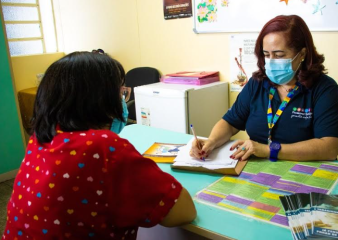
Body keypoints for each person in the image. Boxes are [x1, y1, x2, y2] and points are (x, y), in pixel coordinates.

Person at [3, 52, 196, 240]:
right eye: (120, 91)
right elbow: (183, 211)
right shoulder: (103, 147)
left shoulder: (41, 136)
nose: (122, 98)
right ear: (100, 98)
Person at [190, 15, 338, 162]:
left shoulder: (324, 89)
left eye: (279, 55)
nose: (271, 61)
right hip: (259, 171)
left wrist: (269, 150)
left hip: (305, 172)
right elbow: (230, 124)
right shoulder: (257, 83)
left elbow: (329, 148)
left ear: (302, 53)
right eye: (266, 55)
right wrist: (211, 142)